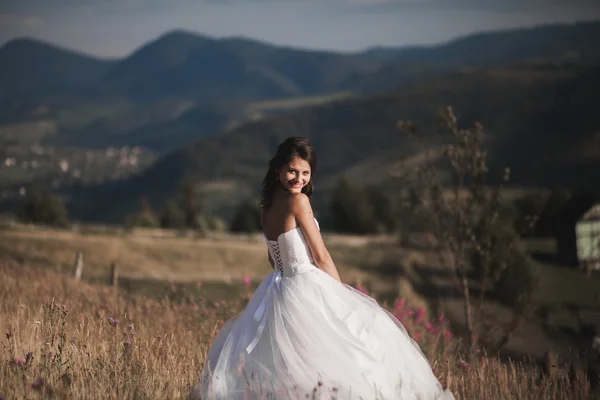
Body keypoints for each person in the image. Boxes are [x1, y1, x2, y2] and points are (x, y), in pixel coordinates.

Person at [194, 137, 454, 399]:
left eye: (305, 173)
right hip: (305, 283)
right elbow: (320, 256)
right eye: (292, 171)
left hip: (278, 289)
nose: (299, 179)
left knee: (290, 361)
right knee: (339, 349)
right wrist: (340, 296)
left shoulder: (267, 208)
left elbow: (273, 260)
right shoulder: (299, 202)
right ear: (278, 169)